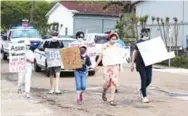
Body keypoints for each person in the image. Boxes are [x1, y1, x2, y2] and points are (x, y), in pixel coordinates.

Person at [95, 32, 123, 106]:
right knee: (107, 82)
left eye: (115, 39)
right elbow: (101, 56)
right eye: (112, 39)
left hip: (115, 66)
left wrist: (120, 66)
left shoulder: (118, 46)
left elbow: (120, 57)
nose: (114, 40)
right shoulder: (105, 46)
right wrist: (96, 65)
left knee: (114, 82)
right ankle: (104, 91)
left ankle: (112, 100)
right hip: (107, 66)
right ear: (109, 38)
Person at [131, 31, 152, 103]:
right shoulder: (139, 42)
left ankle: (142, 89)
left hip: (148, 63)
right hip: (140, 63)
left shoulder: (150, 42)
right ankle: (144, 96)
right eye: (145, 33)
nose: (146, 34)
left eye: (148, 33)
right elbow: (135, 52)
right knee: (144, 78)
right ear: (142, 34)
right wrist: (132, 63)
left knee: (149, 80)